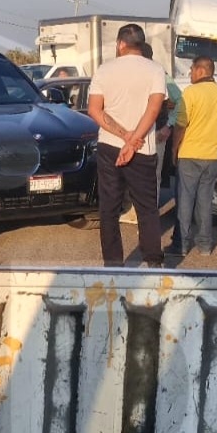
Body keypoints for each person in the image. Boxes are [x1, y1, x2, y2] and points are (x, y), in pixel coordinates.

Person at [86, 24, 167, 267]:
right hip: (144, 148)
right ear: (141, 44)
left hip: (109, 146)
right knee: (147, 208)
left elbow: (94, 110)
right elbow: (154, 109)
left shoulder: (104, 70)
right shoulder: (155, 70)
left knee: (109, 208)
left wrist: (124, 137)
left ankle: (113, 265)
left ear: (120, 44)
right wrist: (133, 142)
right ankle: (153, 261)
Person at [172, 55, 217, 256]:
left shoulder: (191, 92)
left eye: (192, 69)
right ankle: (205, 245)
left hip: (189, 154)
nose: (190, 73)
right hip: (211, 156)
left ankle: (181, 245)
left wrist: (174, 148)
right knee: (205, 201)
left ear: (201, 70)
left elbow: (181, 123)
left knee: (185, 200)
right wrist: (213, 144)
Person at [121, 41, 181, 225]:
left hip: (153, 135)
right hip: (135, 133)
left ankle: (146, 215)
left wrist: (168, 126)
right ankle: (134, 212)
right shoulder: (135, 75)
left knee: (151, 176)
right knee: (134, 175)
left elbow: (181, 102)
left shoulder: (161, 75)